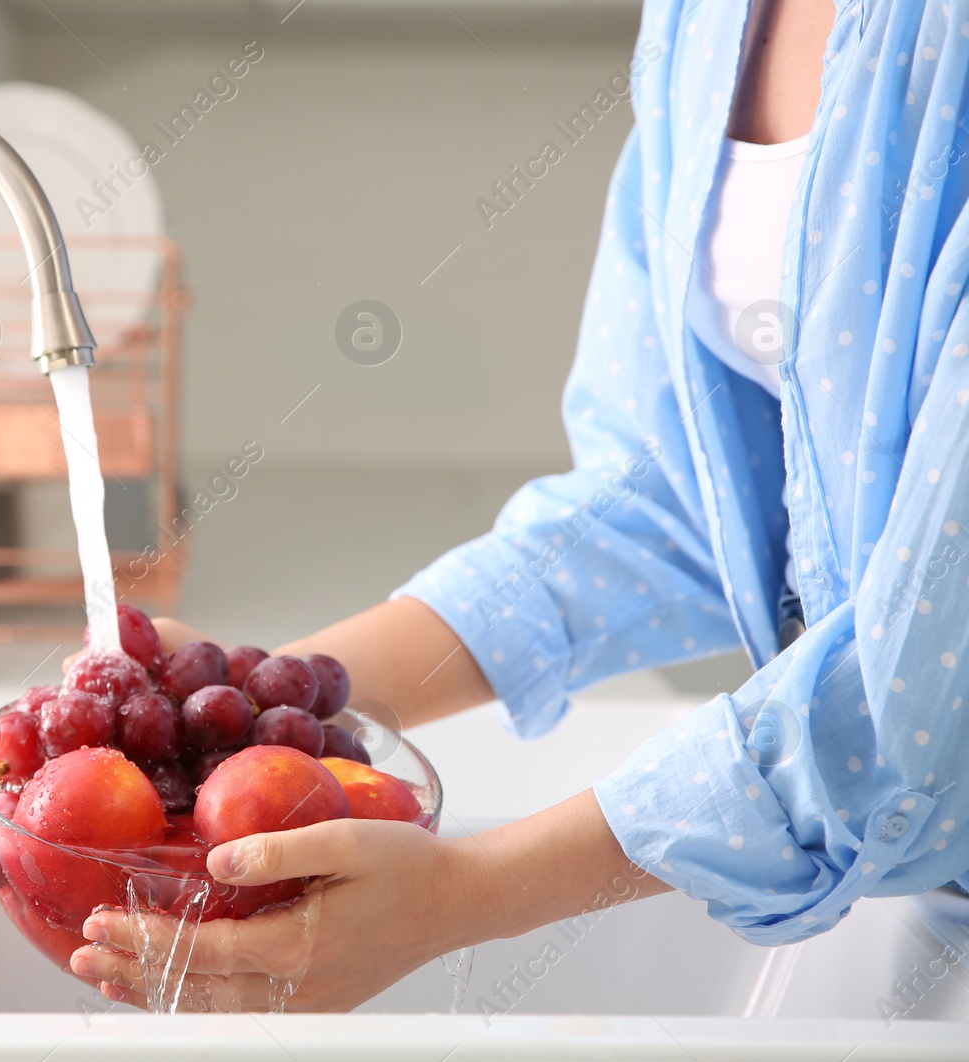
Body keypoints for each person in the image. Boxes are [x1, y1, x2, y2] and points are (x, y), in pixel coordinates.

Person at [70, 0, 969, 1011]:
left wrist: (464, 895)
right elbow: (672, 497)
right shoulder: (700, 22)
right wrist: (256, 706)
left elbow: (924, 682)